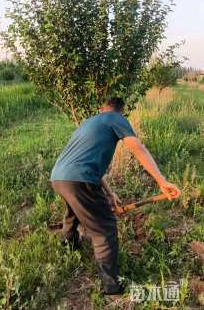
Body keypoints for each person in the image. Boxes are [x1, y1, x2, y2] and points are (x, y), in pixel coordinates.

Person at [50, 97, 181, 295]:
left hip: (58, 177)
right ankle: (111, 286)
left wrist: (110, 194)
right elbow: (138, 148)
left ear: (102, 109)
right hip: (79, 179)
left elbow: (90, 166)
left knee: (73, 212)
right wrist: (161, 181)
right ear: (120, 111)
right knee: (104, 229)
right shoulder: (116, 118)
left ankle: (69, 245)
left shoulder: (90, 122)